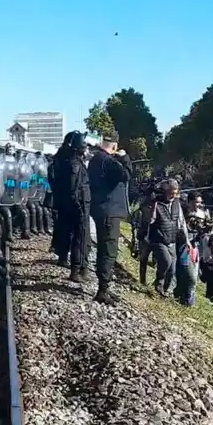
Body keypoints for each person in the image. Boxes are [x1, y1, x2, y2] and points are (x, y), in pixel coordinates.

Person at [87, 130, 132, 303]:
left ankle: (103, 286)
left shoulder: (95, 160)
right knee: (109, 250)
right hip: (109, 211)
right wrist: (124, 158)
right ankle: (103, 289)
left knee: (104, 249)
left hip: (101, 209)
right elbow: (126, 175)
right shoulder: (108, 161)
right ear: (114, 145)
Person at [53, 132, 93, 287]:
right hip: (79, 205)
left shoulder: (66, 159)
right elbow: (74, 188)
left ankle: (74, 264)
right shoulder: (74, 163)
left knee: (73, 234)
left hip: (73, 204)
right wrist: (78, 205)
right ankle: (76, 269)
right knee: (80, 237)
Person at [138, 179, 187, 297]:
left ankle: (163, 291)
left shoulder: (176, 203)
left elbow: (181, 222)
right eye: (172, 191)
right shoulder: (156, 203)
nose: (174, 194)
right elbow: (149, 220)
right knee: (166, 261)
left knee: (172, 269)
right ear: (166, 191)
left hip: (171, 239)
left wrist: (187, 241)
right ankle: (156, 281)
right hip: (158, 238)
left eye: (175, 191)